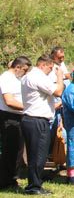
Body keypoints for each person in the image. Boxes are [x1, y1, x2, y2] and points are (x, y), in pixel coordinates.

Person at [20, 55, 64, 195]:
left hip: (32, 119)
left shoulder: (29, 76)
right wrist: (60, 76)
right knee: (39, 155)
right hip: (37, 120)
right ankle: (34, 186)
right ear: (43, 65)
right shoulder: (37, 77)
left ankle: (35, 183)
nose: (51, 71)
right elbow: (58, 91)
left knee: (36, 154)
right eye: (50, 68)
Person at [0, 56, 32, 190]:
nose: (25, 72)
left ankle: (13, 179)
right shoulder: (6, 78)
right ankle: (7, 181)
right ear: (17, 67)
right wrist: (28, 108)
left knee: (18, 151)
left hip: (19, 117)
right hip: (9, 118)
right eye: (24, 70)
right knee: (10, 151)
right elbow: (9, 101)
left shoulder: (17, 78)